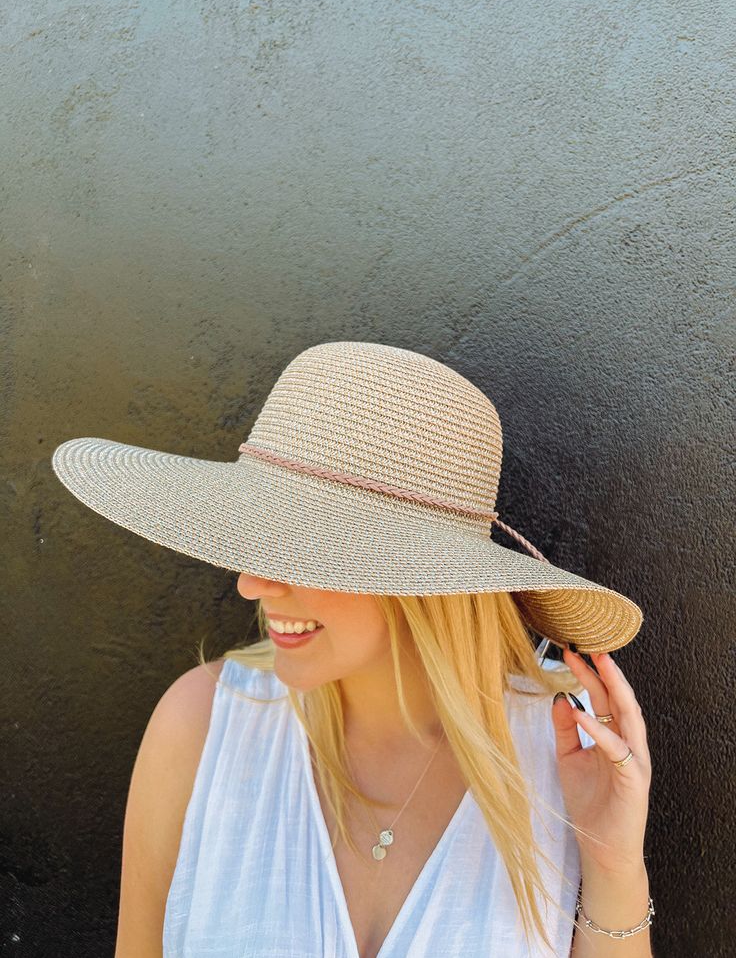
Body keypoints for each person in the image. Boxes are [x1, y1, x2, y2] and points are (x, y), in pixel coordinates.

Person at [51, 340, 654, 957]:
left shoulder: (567, 750)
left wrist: (615, 870)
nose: (251, 583)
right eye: (256, 538)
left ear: (422, 582)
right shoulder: (201, 726)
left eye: (299, 548)